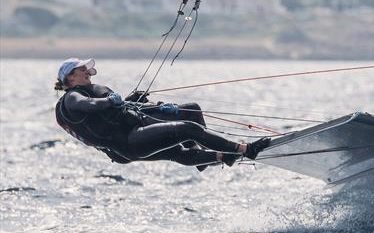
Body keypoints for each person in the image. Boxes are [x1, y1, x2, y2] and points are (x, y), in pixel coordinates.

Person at [54, 57, 272, 170]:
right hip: (128, 142)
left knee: (186, 126)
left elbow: (113, 114)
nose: (87, 72)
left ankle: (217, 156)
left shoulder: (84, 92)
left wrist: (143, 103)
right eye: (81, 69)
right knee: (188, 131)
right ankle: (245, 149)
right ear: (69, 77)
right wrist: (108, 100)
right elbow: (90, 106)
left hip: (130, 136)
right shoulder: (72, 98)